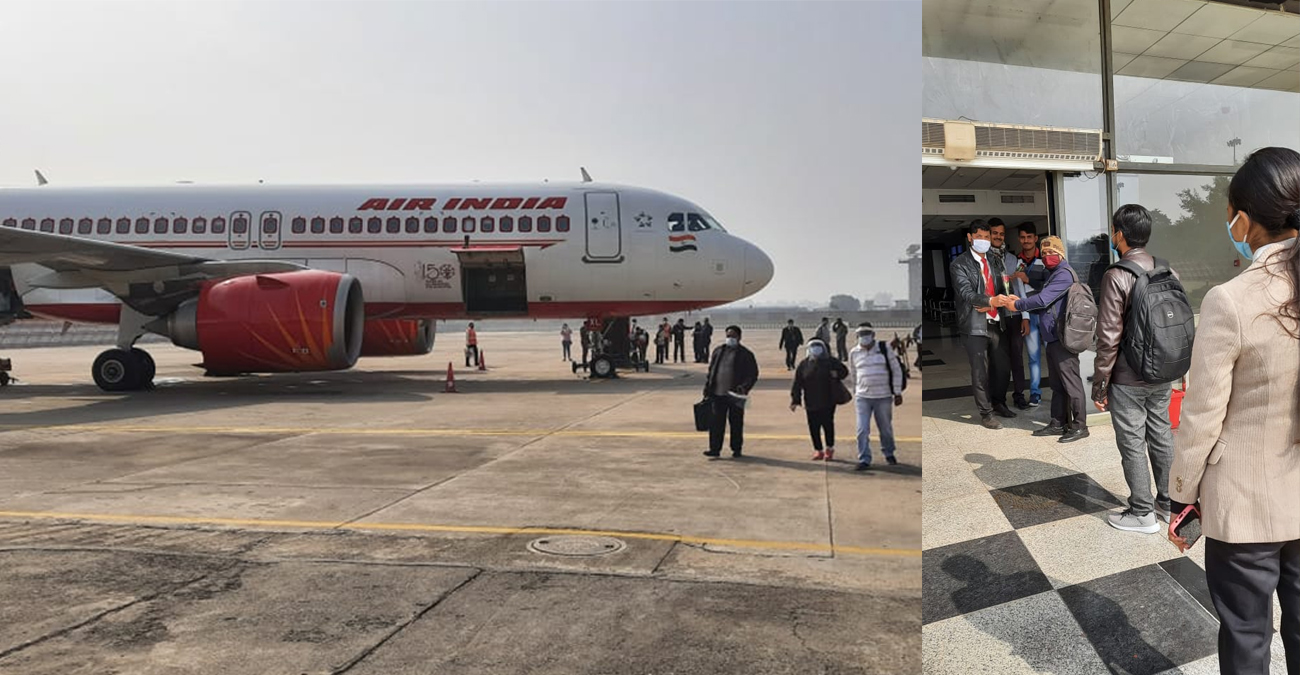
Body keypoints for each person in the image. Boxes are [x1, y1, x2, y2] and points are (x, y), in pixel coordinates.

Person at [1168, 147, 1300, 674]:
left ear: (1244, 219)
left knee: (1247, 637)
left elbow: (1201, 417)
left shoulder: (1232, 299)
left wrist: (1180, 496)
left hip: (1248, 509)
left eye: (1229, 214)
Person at [1093, 204, 1180, 534]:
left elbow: (1108, 337)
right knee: (1160, 434)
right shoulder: (1168, 271)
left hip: (1129, 378)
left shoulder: (1117, 275)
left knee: (1132, 441)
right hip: (1162, 372)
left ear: (1119, 234)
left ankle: (1142, 512)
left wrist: (1100, 385)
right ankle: (1168, 503)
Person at [993, 236, 1088, 443]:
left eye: (1051, 253)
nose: (1046, 257)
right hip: (1053, 337)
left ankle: (1080, 426)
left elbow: (1043, 299)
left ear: (1060, 254)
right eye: (1043, 253)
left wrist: (1017, 306)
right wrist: (1020, 300)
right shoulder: (1053, 274)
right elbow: (1043, 299)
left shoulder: (1064, 274)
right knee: (1057, 383)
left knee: (1071, 383)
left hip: (1064, 338)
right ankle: (1058, 422)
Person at [950, 220, 1016, 429]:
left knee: (1002, 368)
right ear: (970, 238)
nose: (984, 241)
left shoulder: (995, 260)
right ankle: (986, 412)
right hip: (974, 325)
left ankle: (999, 403)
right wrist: (989, 301)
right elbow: (966, 293)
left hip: (997, 321)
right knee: (980, 371)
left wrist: (1007, 296)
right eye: (980, 237)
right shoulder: (959, 264)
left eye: (987, 237)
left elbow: (1002, 284)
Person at [849, 323, 904, 470]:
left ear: (873, 335)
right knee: (862, 429)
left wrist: (897, 392)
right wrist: (856, 391)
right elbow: (853, 374)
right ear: (857, 337)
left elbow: (896, 370)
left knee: (885, 428)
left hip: (883, 396)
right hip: (863, 397)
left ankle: (889, 453)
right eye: (861, 335)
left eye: (867, 334)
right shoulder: (854, 353)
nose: (864, 337)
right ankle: (864, 458)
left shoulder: (884, 349)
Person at [990, 218, 1030, 410]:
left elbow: (1020, 288)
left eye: (1001, 233)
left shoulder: (1013, 259)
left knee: (1017, 357)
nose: (998, 236)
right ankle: (998, 399)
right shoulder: (983, 259)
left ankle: (1019, 394)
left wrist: (1025, 316)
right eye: (994, 233)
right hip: (993, 317)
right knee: (998, 359)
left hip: (1013, 316)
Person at [702, 326, 759, 458]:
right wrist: (707, 387)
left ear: (739, 337)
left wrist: (744, 387)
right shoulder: (718, 351)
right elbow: (711, 371)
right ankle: (715, 449)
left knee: (736, 423)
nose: (730, 338)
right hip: (718, 393)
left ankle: (736, 448)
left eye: (733, 336)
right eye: (728, 336)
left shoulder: (746, 354)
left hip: (736, 395)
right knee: (716, 423)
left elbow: (753, 374)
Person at [790, 339, 849, 461]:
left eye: (818, 346)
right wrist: (795, 399)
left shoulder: (831, 361)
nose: (815, 349)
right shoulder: (804, 364)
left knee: (827, 424)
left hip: (828, 400)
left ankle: (829, 448)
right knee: (813, 426)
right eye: (813, 346)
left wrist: (836, 374)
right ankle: (818, 450)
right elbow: (797, 383)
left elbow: (844, 371)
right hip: (811, 400)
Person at [1013, 222, 1048, 408]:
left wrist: (1029, 279)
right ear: (1019, 239)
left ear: (1035, 238)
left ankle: (1062, 391)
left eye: (1029, 237)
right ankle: (1035, 393)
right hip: (1030, 316)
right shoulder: (1017, 262)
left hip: (1048, 315)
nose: (1026, 241)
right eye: (1022, 237)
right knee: (1033, 357)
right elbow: (1020, 294)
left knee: (1054, 355)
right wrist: (1025, 317)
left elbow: (1051, 287)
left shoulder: (1046, 259)